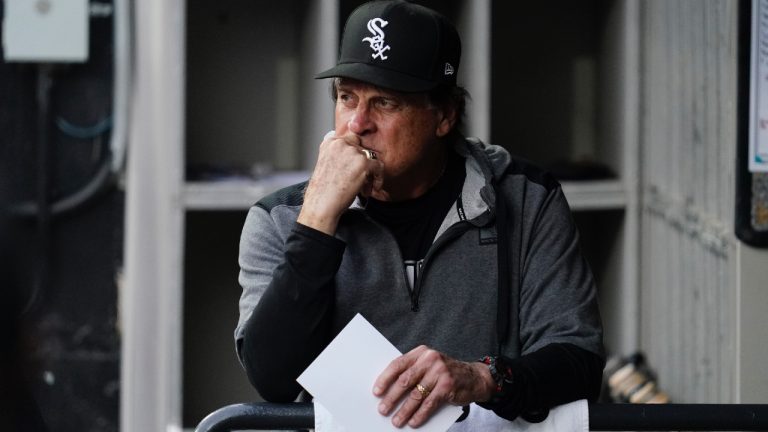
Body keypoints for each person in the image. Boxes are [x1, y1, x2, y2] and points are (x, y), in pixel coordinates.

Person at [235, 0, 604, 428]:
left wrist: (484, 377)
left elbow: (579, 361)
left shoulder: (526, 198)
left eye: (385, 103)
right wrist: (318, 219)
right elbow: (271, 379)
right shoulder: (280, 219)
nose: (356, 124)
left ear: (444, 115)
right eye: (346, 97)